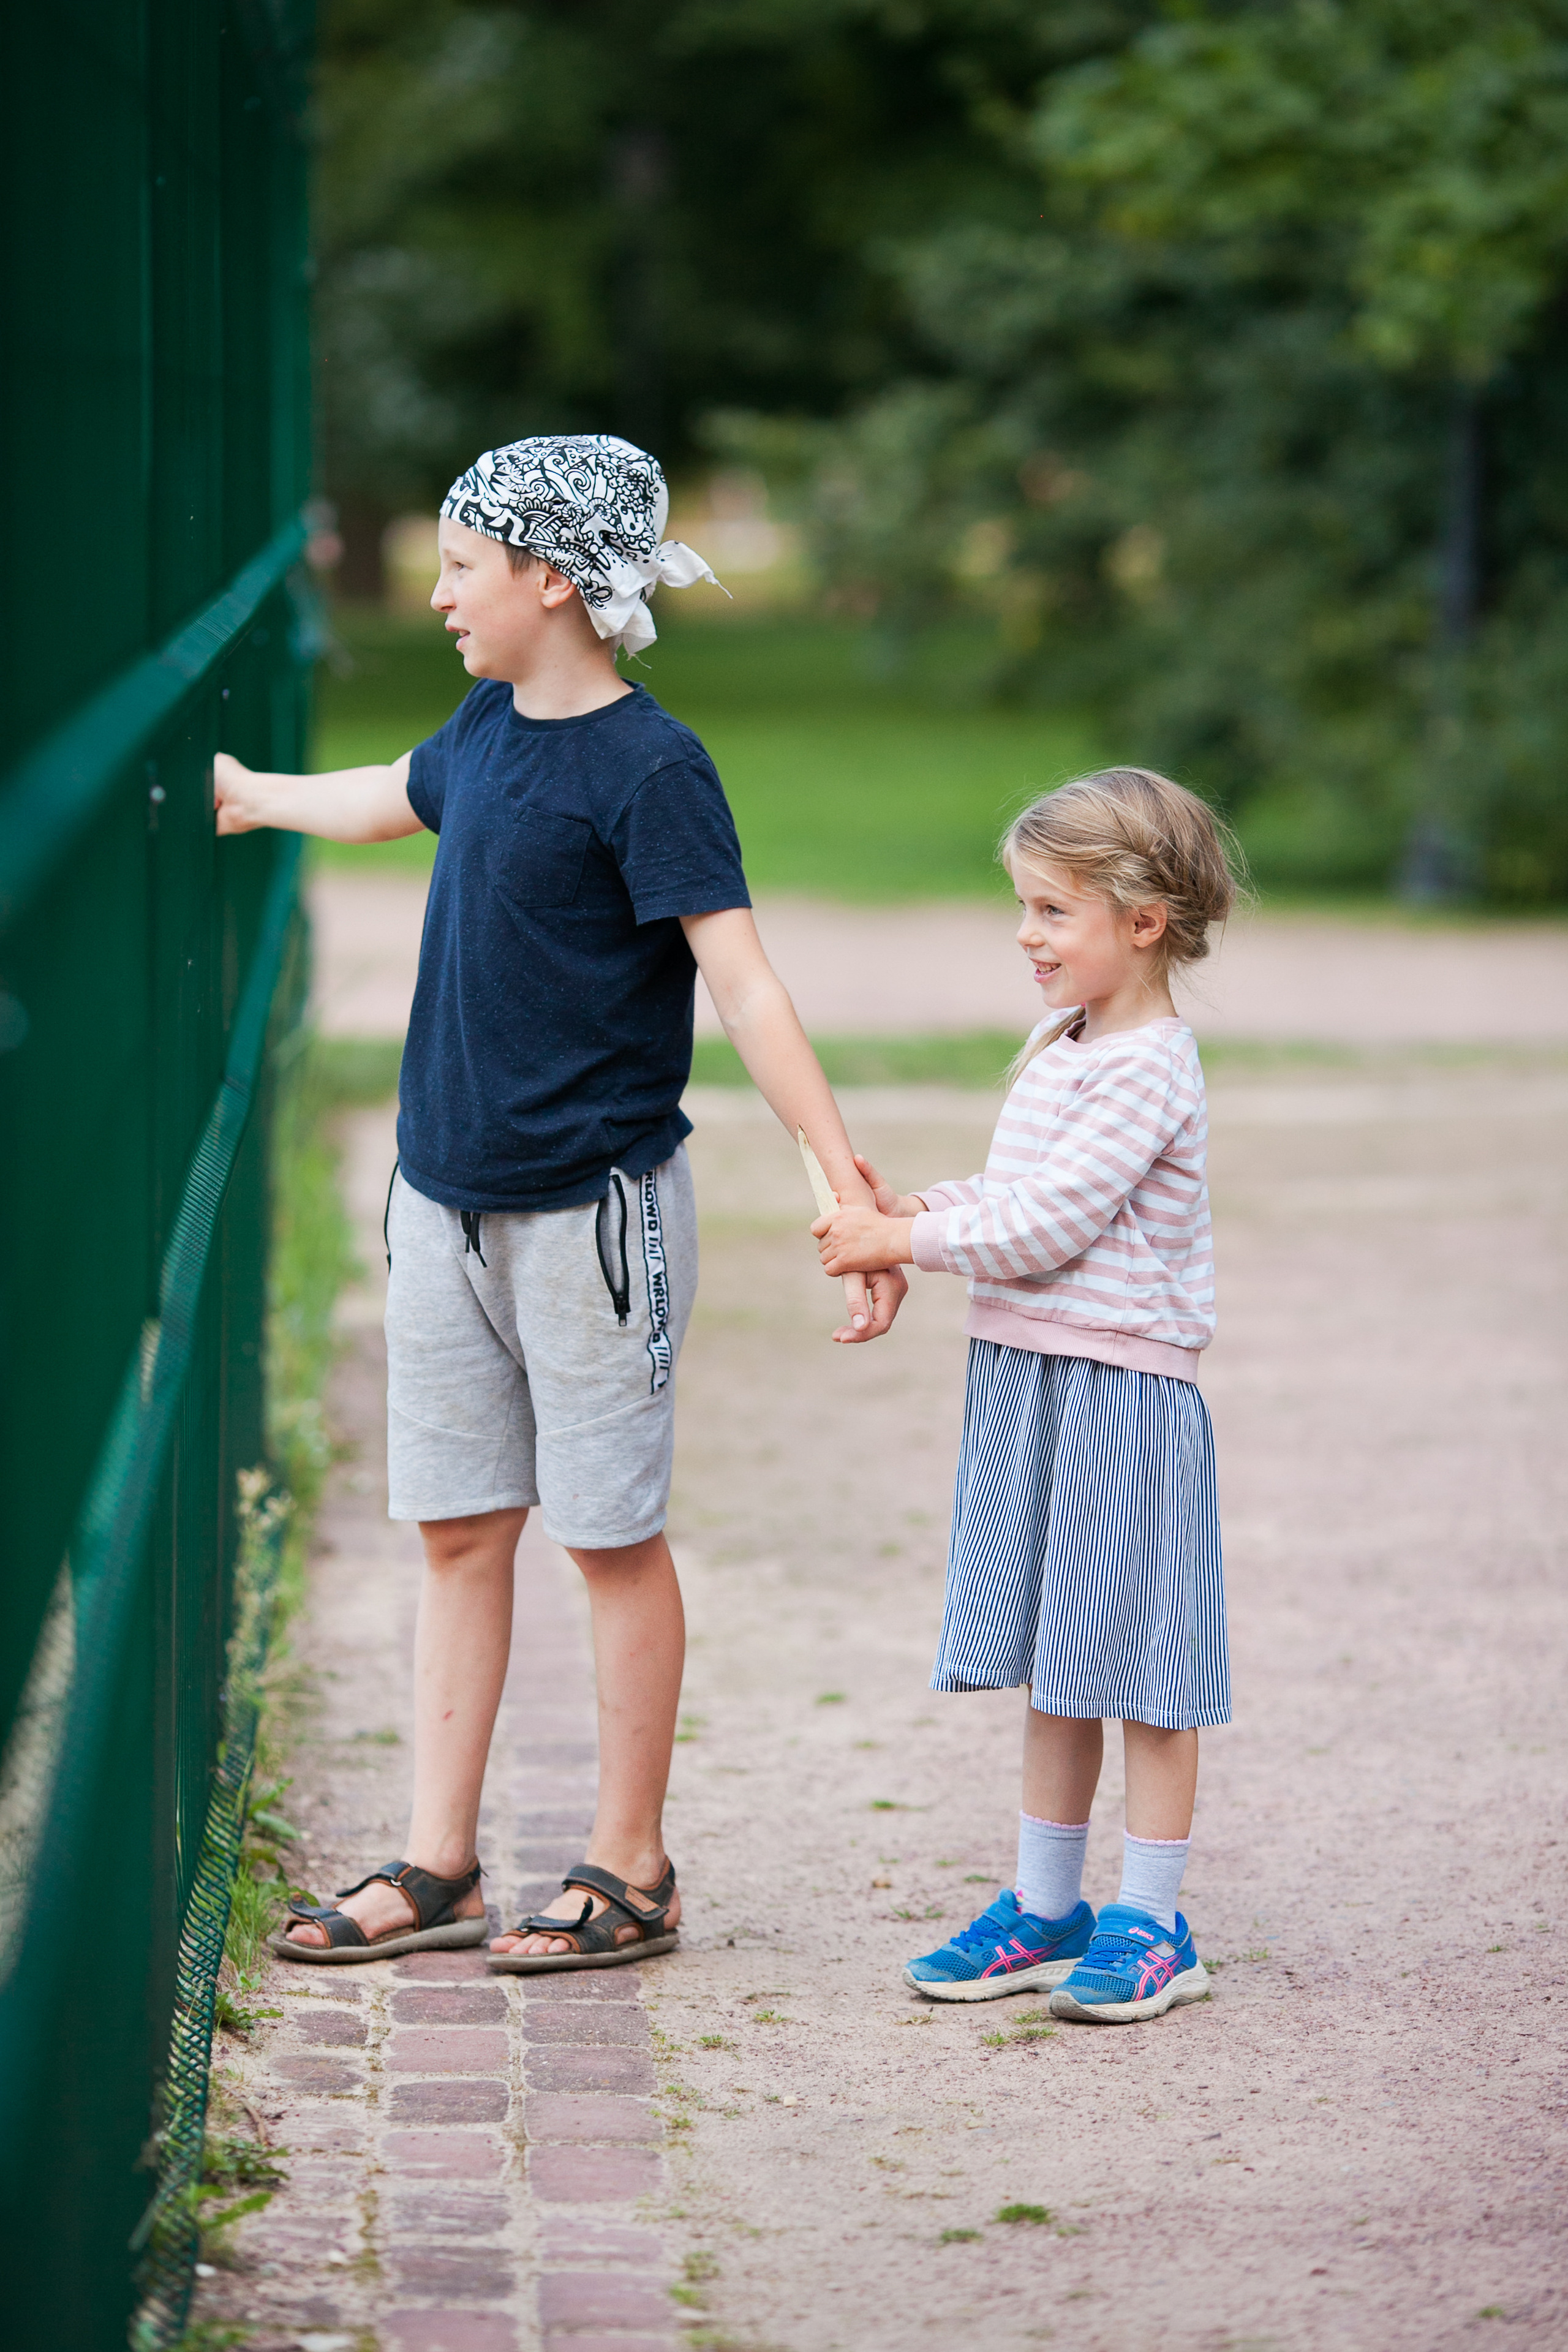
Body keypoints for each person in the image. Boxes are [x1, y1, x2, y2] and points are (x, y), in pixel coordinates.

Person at [216, 433, 905, 1972]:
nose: (442, 593)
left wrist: (833, 1171)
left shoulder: (651, 767)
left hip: (591, 1222)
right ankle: (438, 1861)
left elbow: (740, 980)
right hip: (437, 1206)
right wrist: (247, 794)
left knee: (606, 1540)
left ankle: (629, 1867)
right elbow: (390, 797)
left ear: (550, 578)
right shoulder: (481, 727)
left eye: (461, 567)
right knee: (458, 1535)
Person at [813, 767, 1237, 2022]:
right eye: (1024, 908)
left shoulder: (1151, 1063)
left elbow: (1053, 1221)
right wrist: (917, 1212)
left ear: (1141, 921)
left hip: (1119, 1388)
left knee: (1144, 1668)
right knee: (1059, 1659)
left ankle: (1152, 1923)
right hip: (1031, 1376)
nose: (1026, 936)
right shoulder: (1063, 1046)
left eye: (1052, 912)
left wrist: (899, 1249)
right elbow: (1016, 1196)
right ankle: (1048, 1908)